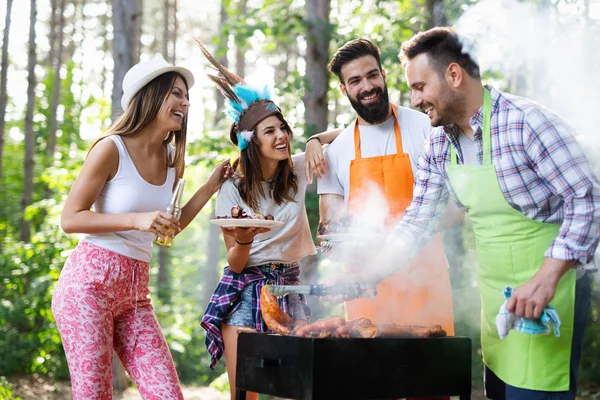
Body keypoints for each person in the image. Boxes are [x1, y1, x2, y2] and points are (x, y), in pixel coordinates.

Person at [353, 27, 598, 399]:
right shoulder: (439, 143)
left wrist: (547, 278)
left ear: (453, 75)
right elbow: (419, 219)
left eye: (420, 86)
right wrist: (369, 270)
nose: (415, 99)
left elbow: (588, 199)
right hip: (497, 299)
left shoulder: (527, 123)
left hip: (551, 294)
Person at [51, 58, 233, 400]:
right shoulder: (111, 148)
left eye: (187, 96)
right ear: (150, 96)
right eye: (177, 94)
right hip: (88, 286)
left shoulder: (170, 159)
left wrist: (210, 186)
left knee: (167, 395)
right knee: (95, 395)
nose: (186, 103)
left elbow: (169, 228)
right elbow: (71, 218)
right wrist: (137, 219)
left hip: (135, 295)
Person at [197, 44, 340, 400]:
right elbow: (235, 262)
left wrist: (314, 140)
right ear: (251, 142)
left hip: (290, 288)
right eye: (269, 132)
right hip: (246, 287)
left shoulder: (296, 170)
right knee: (244, 394)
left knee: (303, 385)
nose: (280, 137)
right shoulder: (232, 190)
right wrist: (244, 237)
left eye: (282, 128)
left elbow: (353, 130)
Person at [307, 38, 455, 337]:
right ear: (344, 89)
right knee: (368, 379)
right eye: (355, 80)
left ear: (384, 75)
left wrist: (397, 239)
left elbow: (457, 208)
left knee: (432, 379)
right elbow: (330, 231)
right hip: (364, 289)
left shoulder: (428, 130)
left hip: (425, 284)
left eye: (372, 75)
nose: (367, 86)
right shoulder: (335, 152)